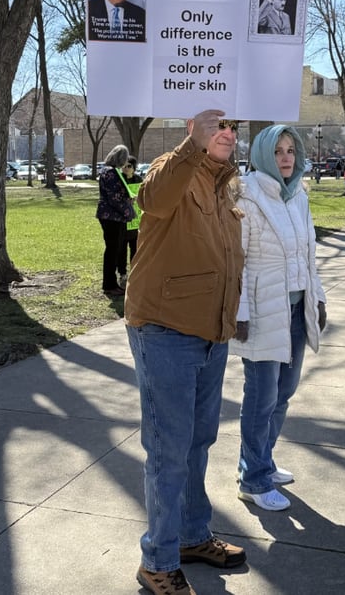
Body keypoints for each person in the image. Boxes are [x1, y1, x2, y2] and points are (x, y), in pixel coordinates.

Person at [124, 110, 247, 595]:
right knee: (168, 452)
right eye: (216, 125)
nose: (227, 133)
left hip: (210, 333)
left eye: (232, 126)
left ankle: (192, 536)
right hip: (165, 330)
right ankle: (157, 559)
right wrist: (190, 144)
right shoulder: (170, 169)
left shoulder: (224, 187)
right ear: (194, 132)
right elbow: (151, 200)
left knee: (198, 443)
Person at [229, 125, 327, 512]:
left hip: (297, 311)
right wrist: (240, 314)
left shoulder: (299, 197)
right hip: (262, 311)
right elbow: (236, 262)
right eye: (279, 151)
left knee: (284, 393)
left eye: (291, 150)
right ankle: (253, 480)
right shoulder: (247, 196)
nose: (286, 157)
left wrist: (316, 299)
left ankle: (259, 463)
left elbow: (308, 258)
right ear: (264, 155)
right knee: (261, 397)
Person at [96, 144, 135, 297]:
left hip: (109, 216)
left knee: (113, 250)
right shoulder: (111, 173)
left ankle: (111, 283)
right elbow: (114, 198)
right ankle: (109, 285)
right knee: (112, 251)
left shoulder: (108, 171)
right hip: (112, 217)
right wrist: (128, 211)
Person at [117, 155, 143, 287]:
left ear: (134, 168)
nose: (126, 169)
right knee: (121, 249)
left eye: (129, 166)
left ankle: (135, 273)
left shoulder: (138, 180)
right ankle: (122, 274)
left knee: (136, 248)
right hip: (122, 221)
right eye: (123, 166)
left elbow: (145, 196)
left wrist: (138, 198)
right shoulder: (118, 180)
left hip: (135, 221)